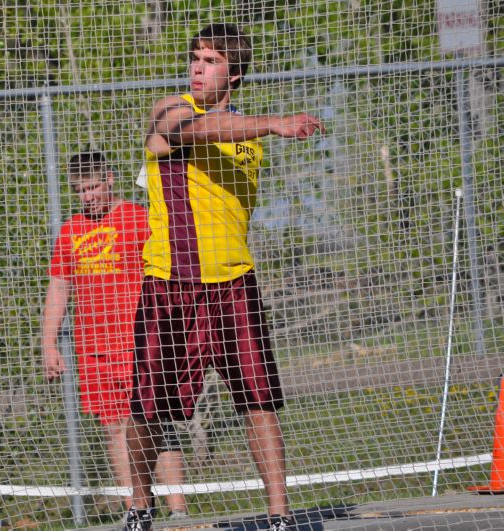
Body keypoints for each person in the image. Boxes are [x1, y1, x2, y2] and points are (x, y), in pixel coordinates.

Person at [123, 23, 325, 531]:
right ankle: (140, 503)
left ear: (234, 74)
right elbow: (192, 131)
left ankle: (279, 513)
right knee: (148, 406)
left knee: (260, 400)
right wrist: (276, 123)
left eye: (210, 61)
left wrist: (265, 126)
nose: (197, 67)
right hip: (170, 281)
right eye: (194, 57)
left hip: (234, 283)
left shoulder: (247, 131)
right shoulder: (172, 111)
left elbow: (227, 129)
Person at [42, 152, 187, 519]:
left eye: (92, 187)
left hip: (141, 341)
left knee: (155, 422)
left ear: (109, 179)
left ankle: (179, 511)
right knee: (114, 428)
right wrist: (48, 344)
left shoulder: (139, 219)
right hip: (94, 348)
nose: (88, 196)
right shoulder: (71, 230)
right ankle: (136, 509)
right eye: (80, 190)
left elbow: (169, 270)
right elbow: (59, 288)